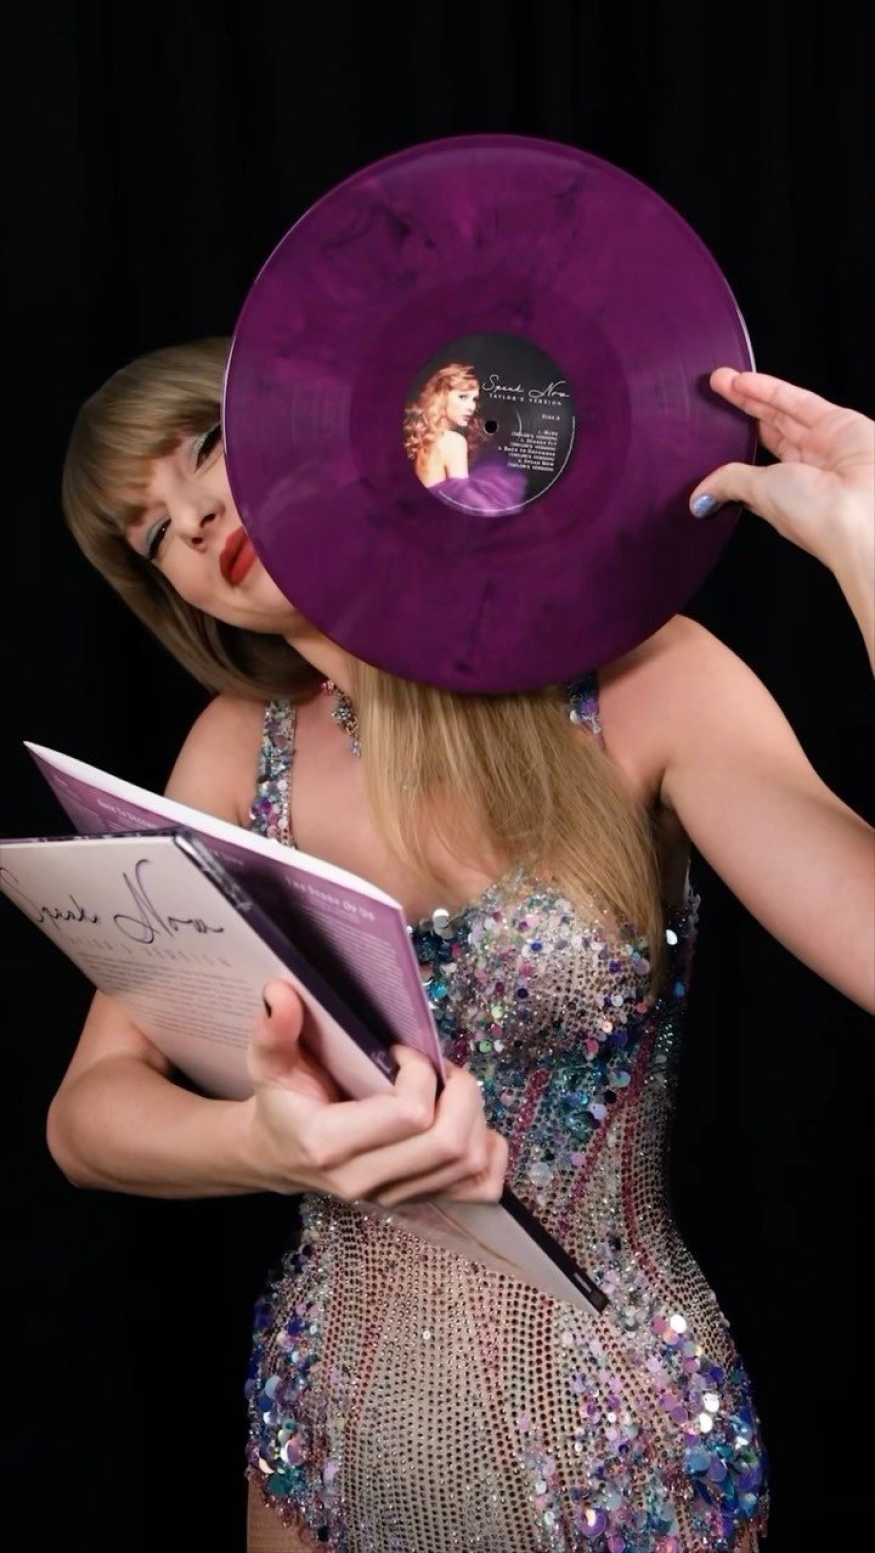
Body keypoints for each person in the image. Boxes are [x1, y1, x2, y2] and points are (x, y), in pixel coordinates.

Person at [47, 334, 874, 1553]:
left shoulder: (640, 680)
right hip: (322, 1447)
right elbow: (86, 1115)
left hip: (619, 1457)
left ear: (312, 424)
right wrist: (261, 1142)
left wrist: (865, 544)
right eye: (155, 531)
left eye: (206, 448)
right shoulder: (231, 752)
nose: (198, 516)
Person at [403, 360, 488, 487]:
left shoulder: (423, 440)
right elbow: (461, 496)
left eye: (474, 399)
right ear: (442, 397)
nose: (472, 407)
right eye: (463, 397)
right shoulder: (454, 441)